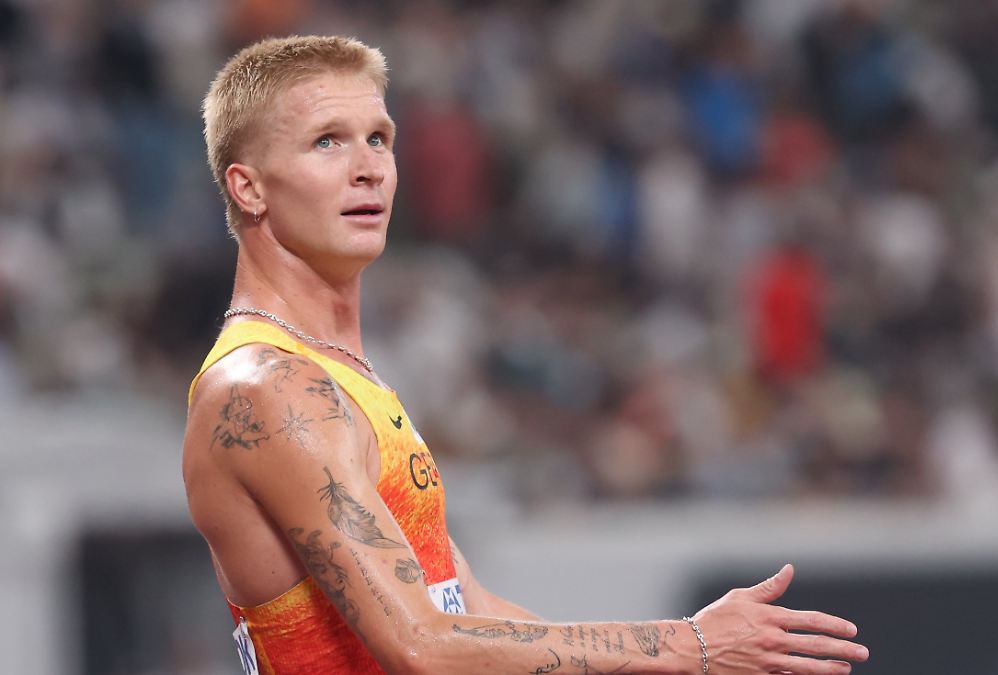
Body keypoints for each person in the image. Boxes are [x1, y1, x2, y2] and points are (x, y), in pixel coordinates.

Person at [182, 35, 870, 675]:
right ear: (249, 187)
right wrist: (688, 645)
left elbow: (470, 608)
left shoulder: (338, 377)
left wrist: (686, 658)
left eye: (379, 139)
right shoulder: (266, 388)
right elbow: (418, 642)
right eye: (327, 142)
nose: (369, 169)